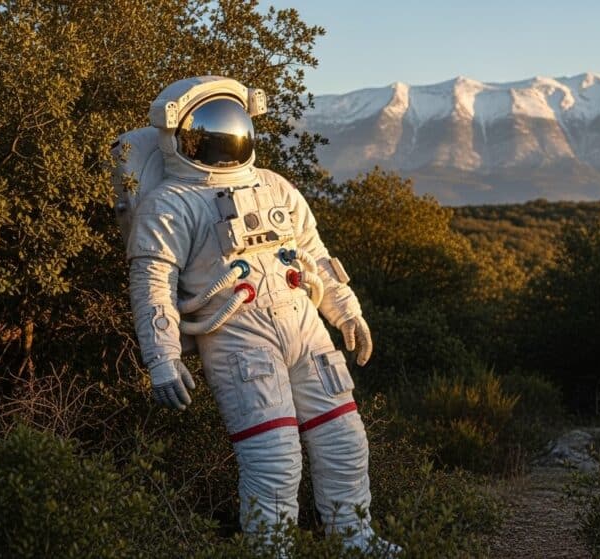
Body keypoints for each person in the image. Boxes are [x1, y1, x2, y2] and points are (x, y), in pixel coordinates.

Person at [123, 76, 397, 554]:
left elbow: (314, 254)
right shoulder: (169, 204)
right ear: (178, 134)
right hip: (237, 336)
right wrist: (162, 357)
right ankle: (272, 551)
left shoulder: (274, 185)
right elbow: (153, 285)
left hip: (304, 326)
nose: (222, 139)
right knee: (273, 457)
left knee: (345, 441)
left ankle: (355, 541)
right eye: (209, 130)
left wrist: (345, 310)